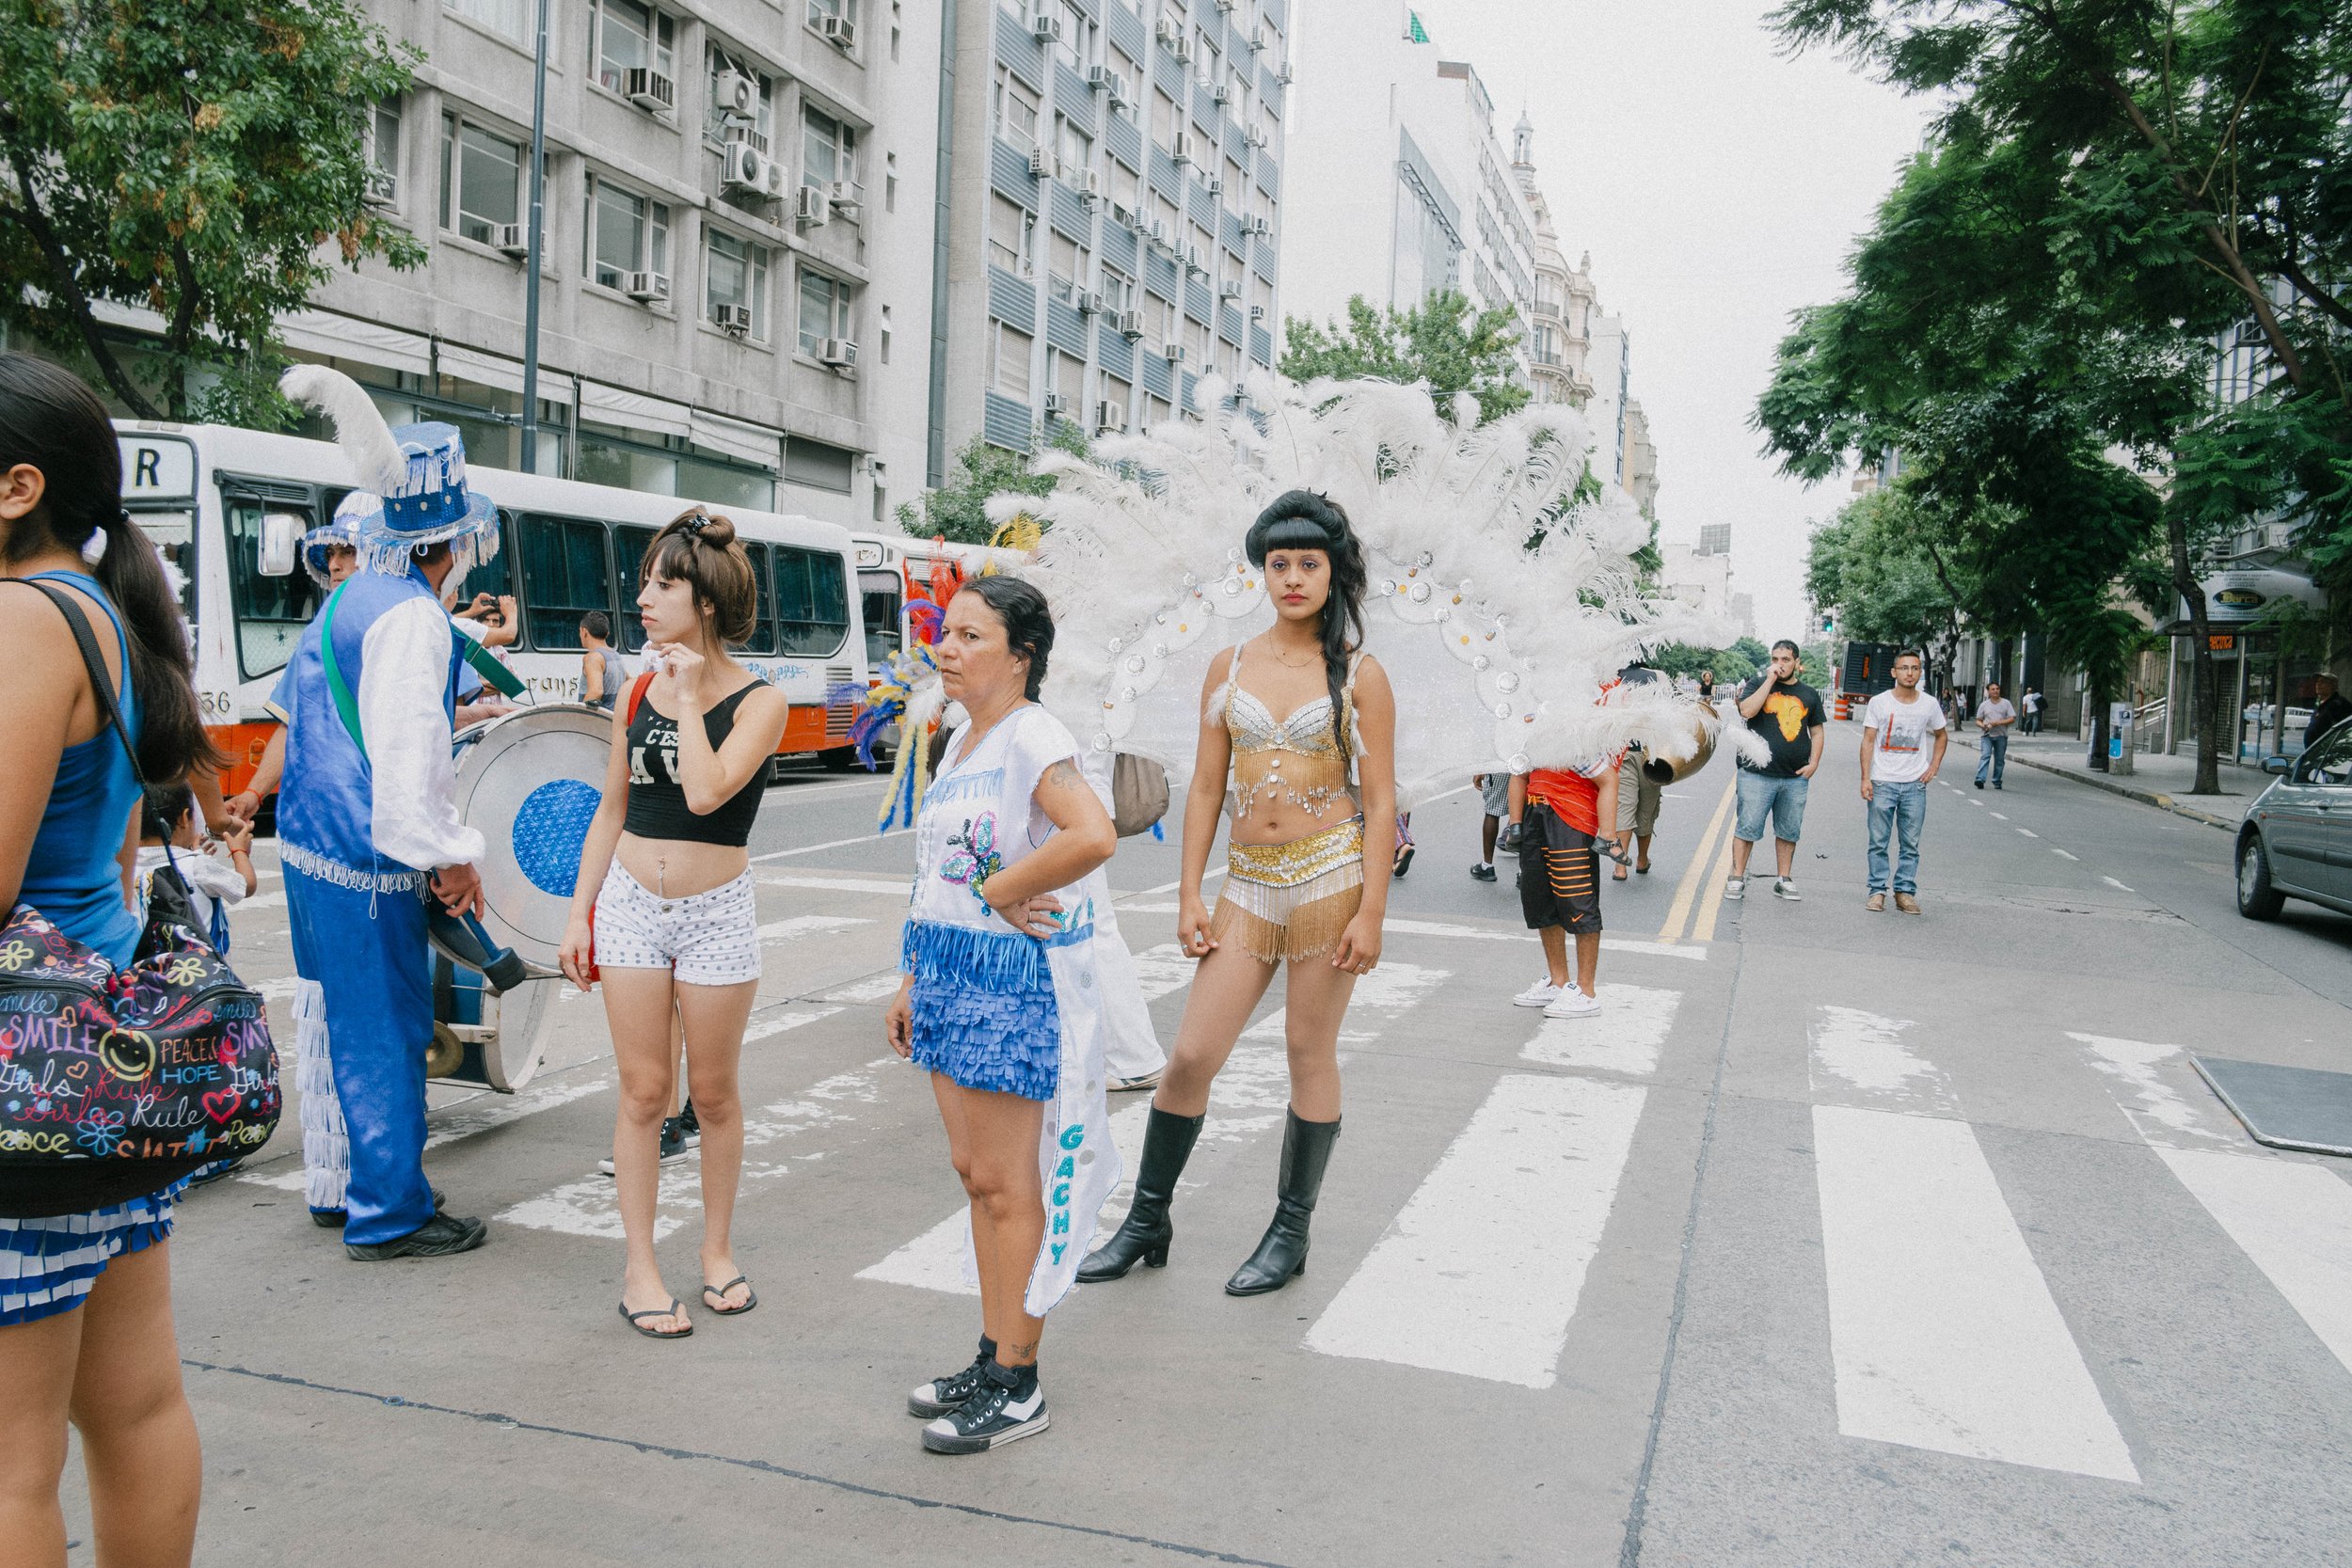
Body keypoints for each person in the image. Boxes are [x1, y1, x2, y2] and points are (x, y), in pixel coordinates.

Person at [1, 352, 216, 1567]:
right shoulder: (100, 615)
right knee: (131, 1402)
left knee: (7, 1458)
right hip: (95, 1068)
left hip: (20, 1077)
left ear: (15, 484)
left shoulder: (25, 619)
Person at [1078, 491, 1397, 1299]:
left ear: (1334, 572)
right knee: (1189, 1054)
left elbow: (1383, 799)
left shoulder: (1363, 674)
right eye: (1278, 563)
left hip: (1331, 878)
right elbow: (1206, 789)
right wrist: (1189, 893)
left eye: (1308, 564)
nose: (1291, 578)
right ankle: (1148, 1218)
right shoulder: (1231, 665)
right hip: (1248, 887)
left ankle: (1290, 1231)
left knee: (1304, 1050)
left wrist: (1371, 911)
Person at [883, 576, 1120, 1454]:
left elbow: (1091, 833)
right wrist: (911, 979)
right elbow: (931, 874)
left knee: (1010, 1183)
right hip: (947, 972)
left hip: (1010, 982)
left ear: (1020, 656)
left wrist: (1004, 887)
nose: (946, 648)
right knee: (974, 1175)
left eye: (970, 635)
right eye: (946, 633)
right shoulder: (960, 743)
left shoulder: (1033, 734)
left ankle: (1019, 1384)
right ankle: (991, 1354)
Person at [271, 365, 499, 1258]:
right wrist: (449, 854)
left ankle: (352, 1185)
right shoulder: (413, 617)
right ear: (453, 539)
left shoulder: (348, 600)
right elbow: (409, 764)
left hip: (311, 847)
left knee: (341, 1020)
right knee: (388, 1028)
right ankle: (391, 1211)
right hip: (367, 856)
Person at [558, 511, 791, 1338]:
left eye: (664, 583)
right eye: (647, 580)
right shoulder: (632, 688)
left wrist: (690, 696)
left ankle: (717, 1252)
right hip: (629, 903)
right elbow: (613, 805)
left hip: (716, 911)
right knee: (643, 1091)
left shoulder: (763, 701)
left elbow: (704, 792)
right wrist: (579, 911)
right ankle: (640, 1267)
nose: (643, 596)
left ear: (709, 602)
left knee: (715, 1093)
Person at [1506, 752, 1618, 1018]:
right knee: (1539, 898)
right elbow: (1519, 771)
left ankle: (1586, 991)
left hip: (1572, 817)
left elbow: (1608, 778)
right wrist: (1516, 822)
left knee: (1578, 901)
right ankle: (1558, 981)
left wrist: (1609, 833)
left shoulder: (1579, 731)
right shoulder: (1536, 729)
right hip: (1536, 812)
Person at [1726, 640, 1827, 902]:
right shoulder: (1757, 684)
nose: (1779, 665)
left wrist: (1814, 763)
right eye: (1775, 659)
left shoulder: (1809, 694)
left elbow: (1816, 731)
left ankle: (1784, 879)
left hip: (1794, 777)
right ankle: (1736, 877)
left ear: (1796, 662)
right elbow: (1747, 711)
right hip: (1756, 774)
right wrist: (1769, 682)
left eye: (1785, 660)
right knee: (1747, 826)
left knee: (1788, 830)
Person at [1859, 651, 1947, 914]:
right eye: (1904, 668)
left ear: (1921, 673)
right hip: (1883, 781)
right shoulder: (1879, 702)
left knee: (1911, 843)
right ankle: (1877, 891)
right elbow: (1868, 741)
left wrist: (1934, 767)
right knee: (1878, 841)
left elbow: (1942, 736)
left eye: (1915, 668)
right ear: (1894, 672)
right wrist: (1866, 777)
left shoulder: (1929, 704)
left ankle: (1905, 891)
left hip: (1914, 784)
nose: (1910, 673)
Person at [136, 782, 256, 948]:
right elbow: (246, 886)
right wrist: (240, 851)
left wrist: (196, 854)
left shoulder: (126, 870)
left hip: (151, 969)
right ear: (184, 818)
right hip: (199, 967)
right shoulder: (198, 866)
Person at [1469, 769, 1511, 881]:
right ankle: (1523, 872)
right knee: (1525, 810)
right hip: (1527, 761)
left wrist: (1481, 768)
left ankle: (1487, 865)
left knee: (1492, 810)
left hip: (1502, 764)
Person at [1973, 681, 2016, 789]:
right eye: (1993, 689)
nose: (1995, 691)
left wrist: (1998, 723)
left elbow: (2012, 718)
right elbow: (1978, 720)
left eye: (1997, 689)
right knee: (1985, 756)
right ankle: (1980, 779)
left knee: (1999, 759)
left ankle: (1997, 780)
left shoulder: (2006, 703)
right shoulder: (1984, 705)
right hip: (1987, 735)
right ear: (1989, 691)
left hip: (2001, 735)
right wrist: (1983, 725)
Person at [580, 610, 625, 710]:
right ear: (607, 633)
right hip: (612, 719)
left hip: (597, 722)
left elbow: (596, 692)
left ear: (584, 632)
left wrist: (580, 717)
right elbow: (628, 681)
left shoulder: (593, 658)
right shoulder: (616, 655)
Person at [2308, 673, 2351, 750]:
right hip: (2313, 753)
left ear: (2333, 685)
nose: (2318, 684)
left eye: (2323, 682)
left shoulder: (2339, 704)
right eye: (2317, 682)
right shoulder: (2320, 704)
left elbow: (2345, 729)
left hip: (2328, 753)